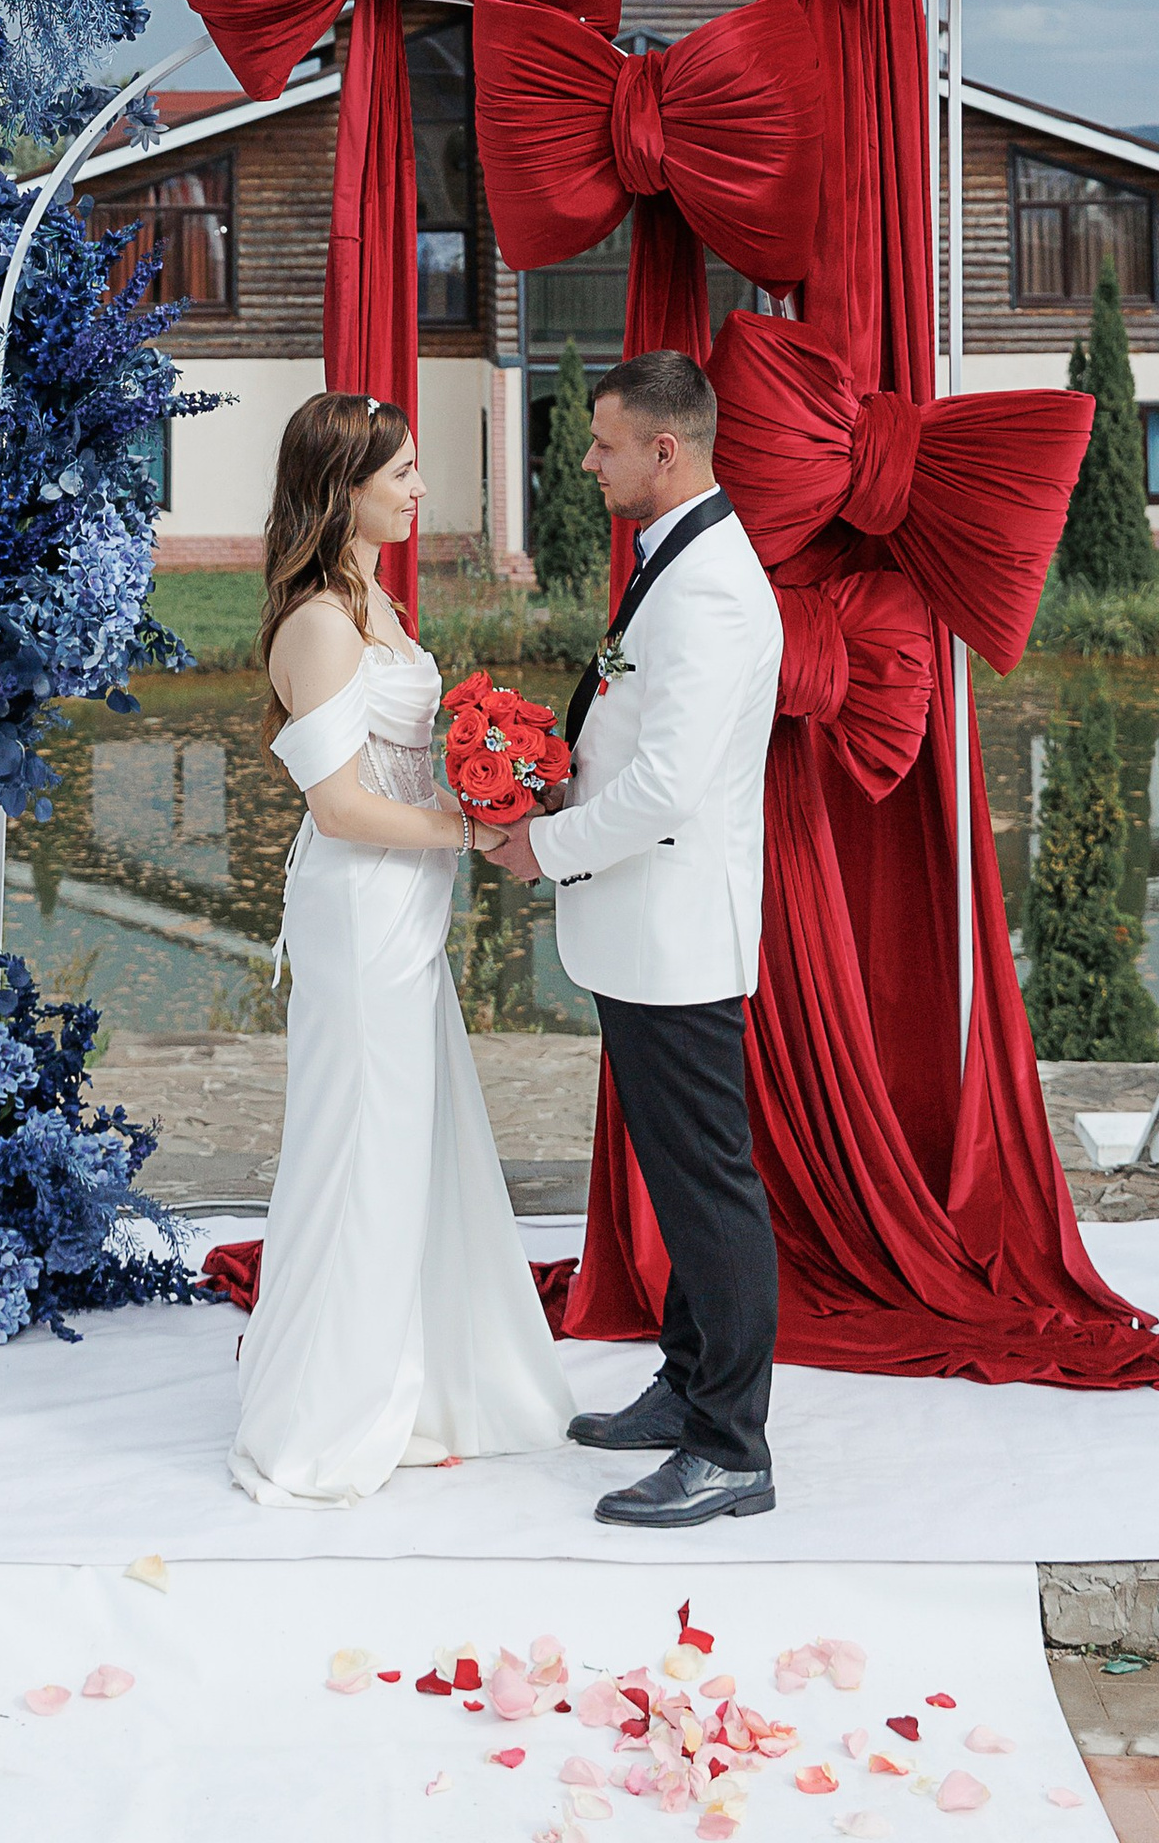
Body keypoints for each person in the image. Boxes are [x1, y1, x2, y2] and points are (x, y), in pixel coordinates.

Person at [228, 389, 576, 1506]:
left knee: (408, 1144)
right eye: (404, 473)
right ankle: (331, 1416)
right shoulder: (321, 625)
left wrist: (489, 766)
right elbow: (335, 806)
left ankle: (407, 1381)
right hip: (360, 908)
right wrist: (463, 829)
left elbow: (400, 757)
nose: (420, 489)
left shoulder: (372, 596)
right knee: (361, 1150)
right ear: (345, 489)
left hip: (403, 908)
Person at [478, 348, 783, 1525]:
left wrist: (539, 848)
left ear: (668, 448)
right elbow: (628, 733)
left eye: (604, 445)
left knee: (708, 1186)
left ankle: (731, 1448)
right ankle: (687, 1382)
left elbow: (664, 788)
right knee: (677, 1171)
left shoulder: (709, 587)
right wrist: (548, 784)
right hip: (640, 925)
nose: (590, 461)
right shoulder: (677, 555)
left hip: (675, 929)